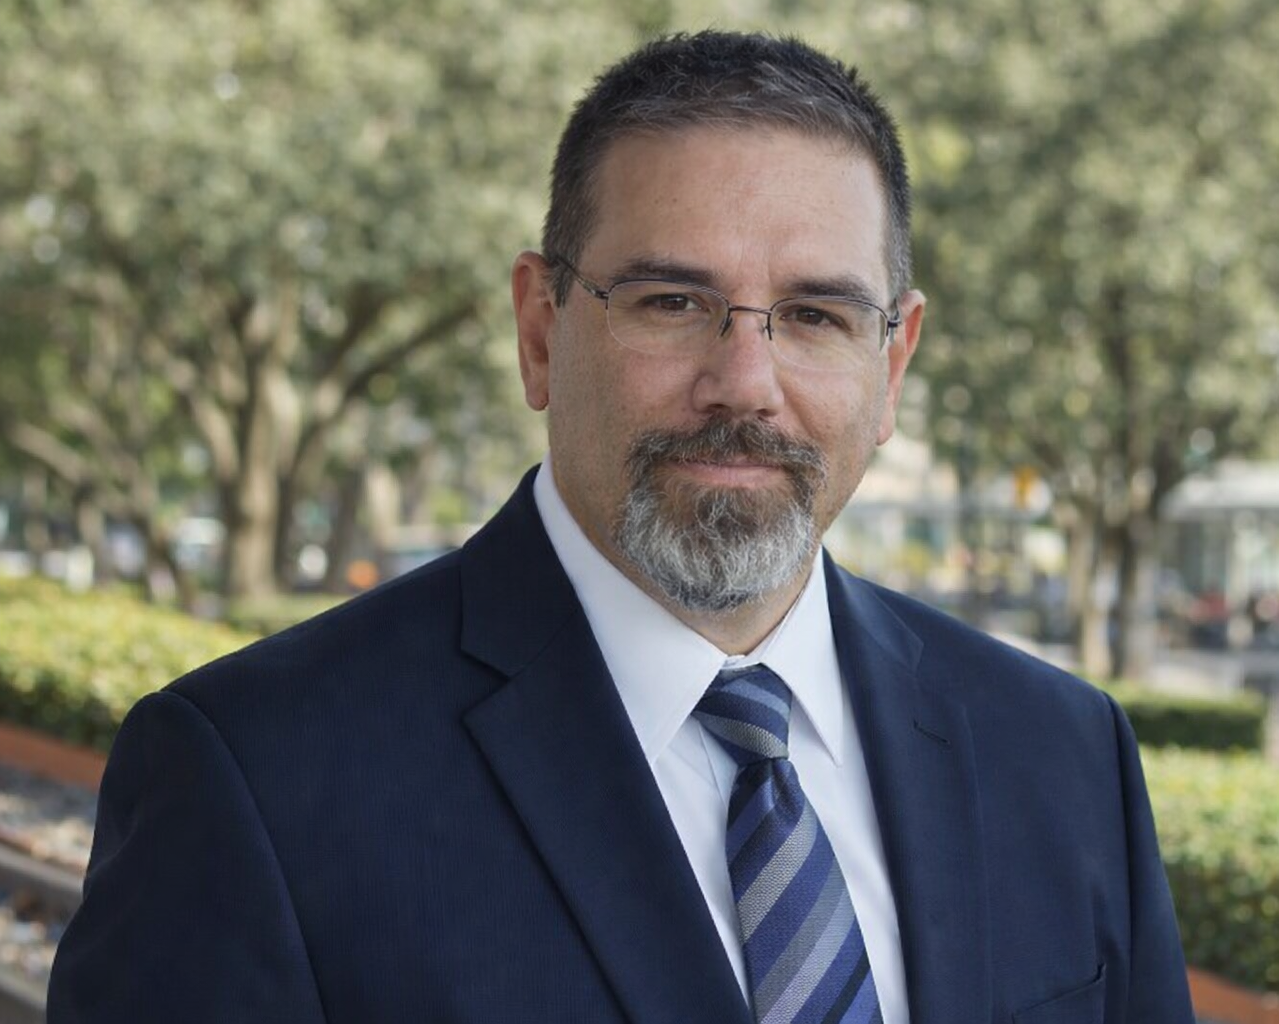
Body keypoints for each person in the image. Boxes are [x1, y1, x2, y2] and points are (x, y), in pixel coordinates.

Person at [48, 31, 1194, 1024]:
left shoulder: (1063, 756)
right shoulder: (257, 778)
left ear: (891, 364)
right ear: (540, 330)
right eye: (672, 302)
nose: (745, 383)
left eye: (815, 314)